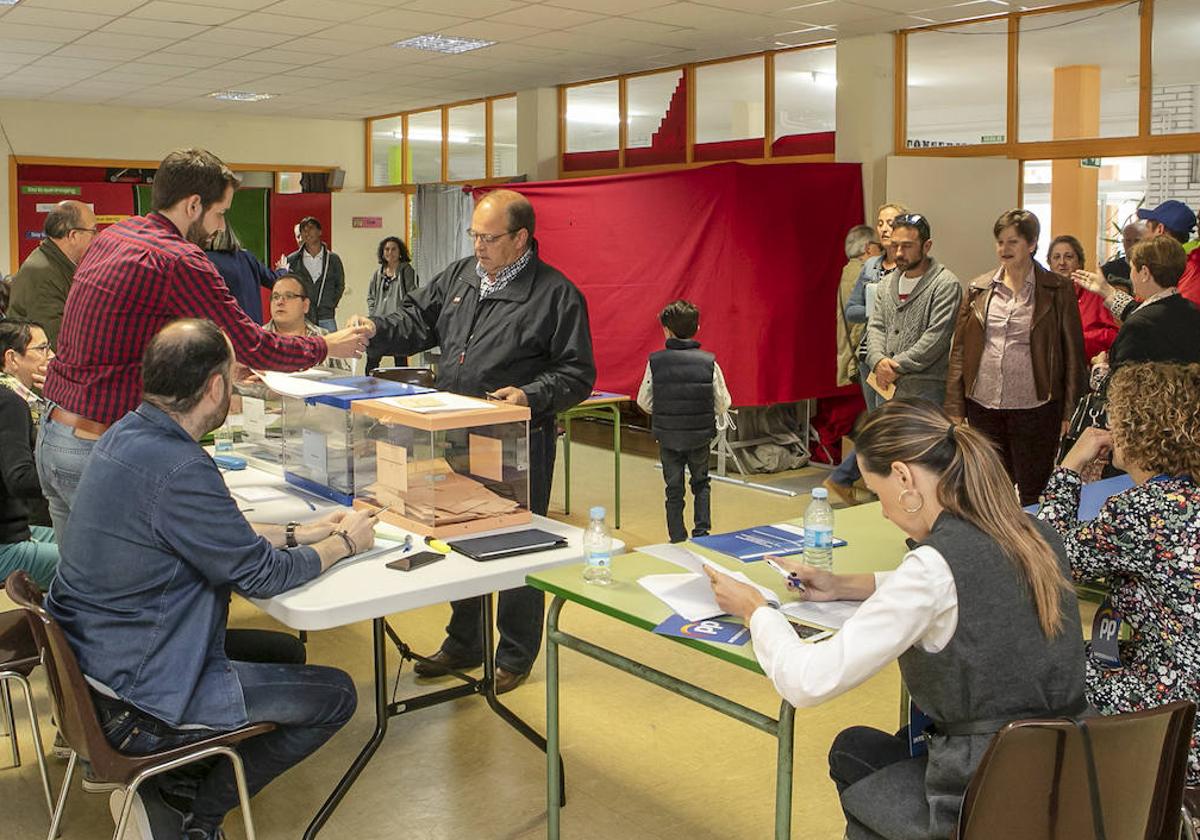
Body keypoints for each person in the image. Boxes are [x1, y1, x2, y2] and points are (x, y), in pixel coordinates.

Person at [46, 319, 374, 840]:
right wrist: (346, 544)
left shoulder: (129, 434)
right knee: (336, 695)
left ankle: (172, 786)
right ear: (216, 387)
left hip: (100, 666)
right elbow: (262, 577)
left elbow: (214, 531)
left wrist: (302, 531)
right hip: (138, 697)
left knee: (284, 652)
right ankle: (195, 814)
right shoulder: (181, 466)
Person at [706, 398, 1086, 840]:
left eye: (877, 491)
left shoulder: (933, 568)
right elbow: (964, 590)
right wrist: (843, 585)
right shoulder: (1034, 534)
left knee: (857, 757)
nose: (883, 511)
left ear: (904, 477)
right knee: (867, 748)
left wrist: (757, 611)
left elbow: (807, 681)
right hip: (1067, 773)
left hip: (984, 789)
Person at [37, 148, 368, 537]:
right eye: (220, 213)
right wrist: (328, 345)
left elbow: (131, 339)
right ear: (193, 205)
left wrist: (221, 363)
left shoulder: (115, 237)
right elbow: (256, 346)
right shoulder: (180, 260)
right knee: (129, 582)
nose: (218, 226)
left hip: (55, 433)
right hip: (95, 443)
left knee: (80, 577)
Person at [347, 188, 595, 694]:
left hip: (515, 438)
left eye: (490, 237)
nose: (479, 246)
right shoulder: (461, 276)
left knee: (514, 542)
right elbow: (416, 319)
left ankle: (515, 652)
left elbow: (577, 372)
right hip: (455, 431)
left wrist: (529, 394)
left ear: (521, 238)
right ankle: (465, 640)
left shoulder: (555, 294)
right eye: (474, 236)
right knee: (458, 532)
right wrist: (376, 327)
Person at [1040, 361, 1200, 783]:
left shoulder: (1142, 513)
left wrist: (1068, 470)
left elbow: (1051, 557)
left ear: (1138, 428)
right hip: (1178, 674)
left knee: (1041, 673)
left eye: (1113, 415)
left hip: (1182, 714)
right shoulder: (1184, 496)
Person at [944, 209, 1086, 506]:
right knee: (990, 487)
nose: (1004, 249)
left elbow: (1073, 353)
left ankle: (1031, 548)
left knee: (1033, 489)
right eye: (999, 242)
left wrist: (1069, 410)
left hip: (1036, 406)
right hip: (983, 403)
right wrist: (955, 406)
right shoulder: (978, 287)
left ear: (1032, 244)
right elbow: (959, 351)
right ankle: (995, 547)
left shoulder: (1057, 289)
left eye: (1013, 242)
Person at [826, 201, 909, 505]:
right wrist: (879, 309)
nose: (886, 228)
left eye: (893, 222)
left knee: (887, 422)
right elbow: (853, 310)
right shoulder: (870, 267)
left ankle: (855, 479)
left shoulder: (913, 265)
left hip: (905, 358)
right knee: (882, 421)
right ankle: (851, 479)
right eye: (882, 222)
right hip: (871, 356)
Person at [636, 300, 732, 544]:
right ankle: (702, 534)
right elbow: (723, 402)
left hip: (668, 437)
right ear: (697, 328)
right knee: (701, 483)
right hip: (700, 436)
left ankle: (677, 537)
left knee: (673, 489)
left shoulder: (655, 362)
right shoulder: (709, 362)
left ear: (666, 330)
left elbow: (644, 402)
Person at [863, 213, 962, 403]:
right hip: (884, 389)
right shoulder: (886, 283)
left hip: (924, 393)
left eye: (907, 246)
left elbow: (935, 339)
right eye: (895, 245)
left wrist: (895, 366)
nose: (899, 252)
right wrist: (877, 361)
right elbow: (875, 327)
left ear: (927, 246)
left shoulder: (945, 284)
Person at [0, 319, 58, 589]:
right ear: (12, 359)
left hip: (17, 530)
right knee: (102, 564)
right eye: (44, 348)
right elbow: (20, 478)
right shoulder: (10, 402)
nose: (53, 357)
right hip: (7, 543)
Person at [8, 200, 99, 349]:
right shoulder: (41, 273)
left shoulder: (57, 264)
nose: (97, 237)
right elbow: (55, 343)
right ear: (73, 235)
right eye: (93, 231)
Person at [1105, 235, 1200, 370]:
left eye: (1131, 268)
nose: (1130, 275)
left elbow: (1121, 384)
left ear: (1144, 273)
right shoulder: (1192, 311)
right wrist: (1107, 292)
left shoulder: (1137, 327)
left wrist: (1099, 367)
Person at [1048, 234, 1118, 360]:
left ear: (1080, 262)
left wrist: (1077, 339)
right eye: (1056, 257)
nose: (1062, 262)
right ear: (1050, 264)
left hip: (1088, 364)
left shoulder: (1095, 294)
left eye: (1068, 257)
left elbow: (1112, 335)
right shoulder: (1042, 295)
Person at [262, 274, 351, 372]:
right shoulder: (258, 339)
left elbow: (346, 378)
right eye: (275, 297)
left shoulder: (324, 337)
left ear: (305, 305)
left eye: (289, 296)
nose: (279, 302)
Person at [204, 226, 286, 324]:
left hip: (224, 330)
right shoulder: (247, 257)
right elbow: (274, 280)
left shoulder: (205, 260)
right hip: (253, 329)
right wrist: (283, 270)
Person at [364, 235, 418, 374]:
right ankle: (369, 389)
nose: (390, 252)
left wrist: (404, 315)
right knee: (372, 360)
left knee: (400, 361)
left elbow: (412, 294)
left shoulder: (406, 270)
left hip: (398, 323)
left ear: (400, 252)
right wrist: (373, 313)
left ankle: (403, 392)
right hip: (379, 323)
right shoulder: (378, 274)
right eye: (387, 249)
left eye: (394, 249)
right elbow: (371, 296)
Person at [287, 217, 345, 331]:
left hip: (326, 316)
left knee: (331, 347)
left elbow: (340, 285)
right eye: (303, 229)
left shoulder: (332, 259)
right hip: (302, 316)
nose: (307, 232)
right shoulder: (293, 260)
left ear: (319, 232)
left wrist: (330, 303)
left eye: (311, 228)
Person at [837, 224, 875, 389]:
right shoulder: (863, 273)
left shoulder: (847, 271)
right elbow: (860, 322)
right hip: (862, 356)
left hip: (850, 354)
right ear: (868, 248)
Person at [1098, 220, 1148, 291]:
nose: (1132, 245)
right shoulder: (1108, 270)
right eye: (1128, 240)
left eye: (1137, 240)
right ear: (1123, 242)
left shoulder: (1153, 269)